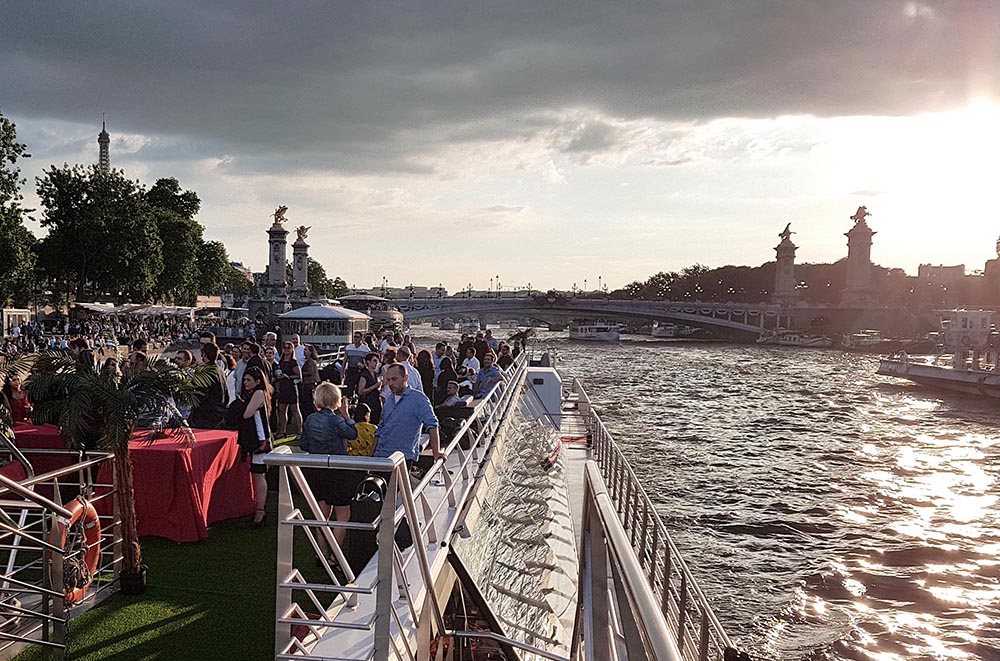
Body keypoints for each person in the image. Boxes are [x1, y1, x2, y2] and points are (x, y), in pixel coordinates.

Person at [299, 382, 358, 549]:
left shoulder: (310, 419)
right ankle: (334, 554)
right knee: (343, 515)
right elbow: (353, 434)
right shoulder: (337, 420)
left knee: (322, 514)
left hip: (317, 469)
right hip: (337, 470)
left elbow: (303, 444)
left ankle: (323, 553)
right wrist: (347, 416)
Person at [374, 364, 444, 467]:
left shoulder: (418, 399)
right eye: (388, 380)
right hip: (381, 455)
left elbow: (432, 424)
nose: (391, 383)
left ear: (406, 378)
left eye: (394, 379)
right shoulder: (389, 400)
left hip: (402, 458)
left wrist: (436, 452)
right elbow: (381, 427)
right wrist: (372, 454)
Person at [241, 366, 272, 526]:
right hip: (258, 440)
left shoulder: (259, 393)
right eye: (244, 379)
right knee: (256, 475)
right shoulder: (258, 393)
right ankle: (259, 508)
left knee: (259, 476)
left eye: (248, 380)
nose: (245, 382)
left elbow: (247, 413)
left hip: (261, 441)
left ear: (258, 381)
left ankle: (260, 511)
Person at [189, 343, 229, 429]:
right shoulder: (220, 370)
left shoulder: (205, 371)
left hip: (206, 415)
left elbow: (200, 395)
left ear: (204, 354)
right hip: (218, 413)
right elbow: (226, 394)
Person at [275, 342, 302, 437]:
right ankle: (282, 431)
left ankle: (299, 431)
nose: (286, 349)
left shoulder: (293, 362)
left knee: (295, 410)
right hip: (282, 387)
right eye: (284, 347)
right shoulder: (281, 361)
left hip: (291, 387)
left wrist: (288, 377)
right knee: (281, 410)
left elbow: (299, 376)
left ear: (292, 349)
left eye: (288, 348)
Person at [343, 331, 372, 398]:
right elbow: (344, 361)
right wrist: (342, 373)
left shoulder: (366, 349)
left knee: (359, 389)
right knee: (349, 389)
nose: (355, 338)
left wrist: (364, 366)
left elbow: (369, 362)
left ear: (361, 338)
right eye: (354, 337)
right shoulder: (348, 348)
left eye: (357, 337)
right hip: (351, 370)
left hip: (360, 371)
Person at [357, 352, 383, 424]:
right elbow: (360, 391)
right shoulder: (364, 375)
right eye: (374, 361)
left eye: (377, 362)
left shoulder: (375, 374)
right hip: (368, 402)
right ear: (368, 362)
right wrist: (374, 386)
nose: (376, 363)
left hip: (375, 402)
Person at [299, 344, 320, 421]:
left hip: (309, 384)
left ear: (310, 352)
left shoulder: (310, 361)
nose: (304, 352)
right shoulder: (308, 361)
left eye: (306, 350)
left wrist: (300, 373)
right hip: (308, 383)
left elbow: (310, 372)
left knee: (308, 403)